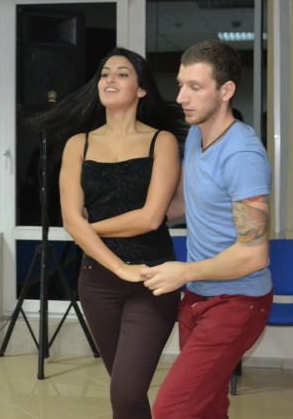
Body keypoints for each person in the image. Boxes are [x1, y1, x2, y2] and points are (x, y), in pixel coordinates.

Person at [47, 47, 185, 419]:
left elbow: (150, 218)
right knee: (125, 393)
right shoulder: (78, 144)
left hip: (152, 278)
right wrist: (118, 266)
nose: (110, 79)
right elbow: (69, 219)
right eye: (105, 73)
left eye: (122, 74)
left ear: (141, 89)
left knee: (126, 392)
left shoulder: (162, 141)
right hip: (97, 282)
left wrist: (86, 228)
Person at [142, 40, 272, 419]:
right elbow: (182, 204)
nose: (181, 97)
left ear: (226, 90)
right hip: (199, 295)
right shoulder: (198, 134)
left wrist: (184, 272)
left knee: (171, 409)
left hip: (237, 301)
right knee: (207, 408)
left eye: (195, 87)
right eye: (181, 85)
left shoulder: (242, 155)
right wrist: (118, 215)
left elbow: (253, 255)